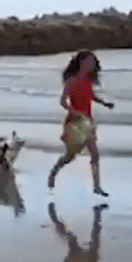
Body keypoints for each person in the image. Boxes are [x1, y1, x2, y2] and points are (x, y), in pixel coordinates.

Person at [47, 49, 114, 196]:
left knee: (95, 154)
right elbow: (62, 101)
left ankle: (97, 186)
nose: (91, 64)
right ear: (81, 62)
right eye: (89, 61)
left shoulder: (88, 80)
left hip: (87, 122)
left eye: (93, 62)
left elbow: (90, 96)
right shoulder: (72, 80)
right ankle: (53, 172)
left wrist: (104, 103)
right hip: (75, 123)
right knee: (69, 156)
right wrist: (75, 112)